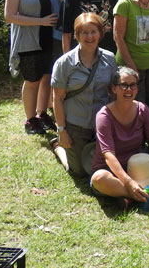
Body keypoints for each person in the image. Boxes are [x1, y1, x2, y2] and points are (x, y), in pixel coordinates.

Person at [90, 67, 149, 206]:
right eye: (124, 85)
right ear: (114, 88)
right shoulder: (104, 116)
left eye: (133, 85)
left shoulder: (143, 109)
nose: (129, 89)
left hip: (140, 170)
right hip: (111, 170)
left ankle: (129, 196)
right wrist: (128, 182)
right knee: (99, 179)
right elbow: (109, 155)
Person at [51, 13, 118, 176]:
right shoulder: (64, 63)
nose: (89, 37)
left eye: (93, 32)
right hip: (75, 125)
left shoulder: (109, 59)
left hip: (100, 125)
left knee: (100, 167)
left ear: (100, 34)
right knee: (79, 171)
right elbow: (57, 99)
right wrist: (62, 130)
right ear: (77, 35)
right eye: (84, 33)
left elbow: (114, 94)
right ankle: (59, 148)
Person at [5, 0, 59, 134]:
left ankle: (42, 114)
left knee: (47, 77)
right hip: (28, 39)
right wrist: (41, 21)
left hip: (49, 36)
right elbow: (9, 16)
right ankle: (30, 120)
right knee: (32, 80)